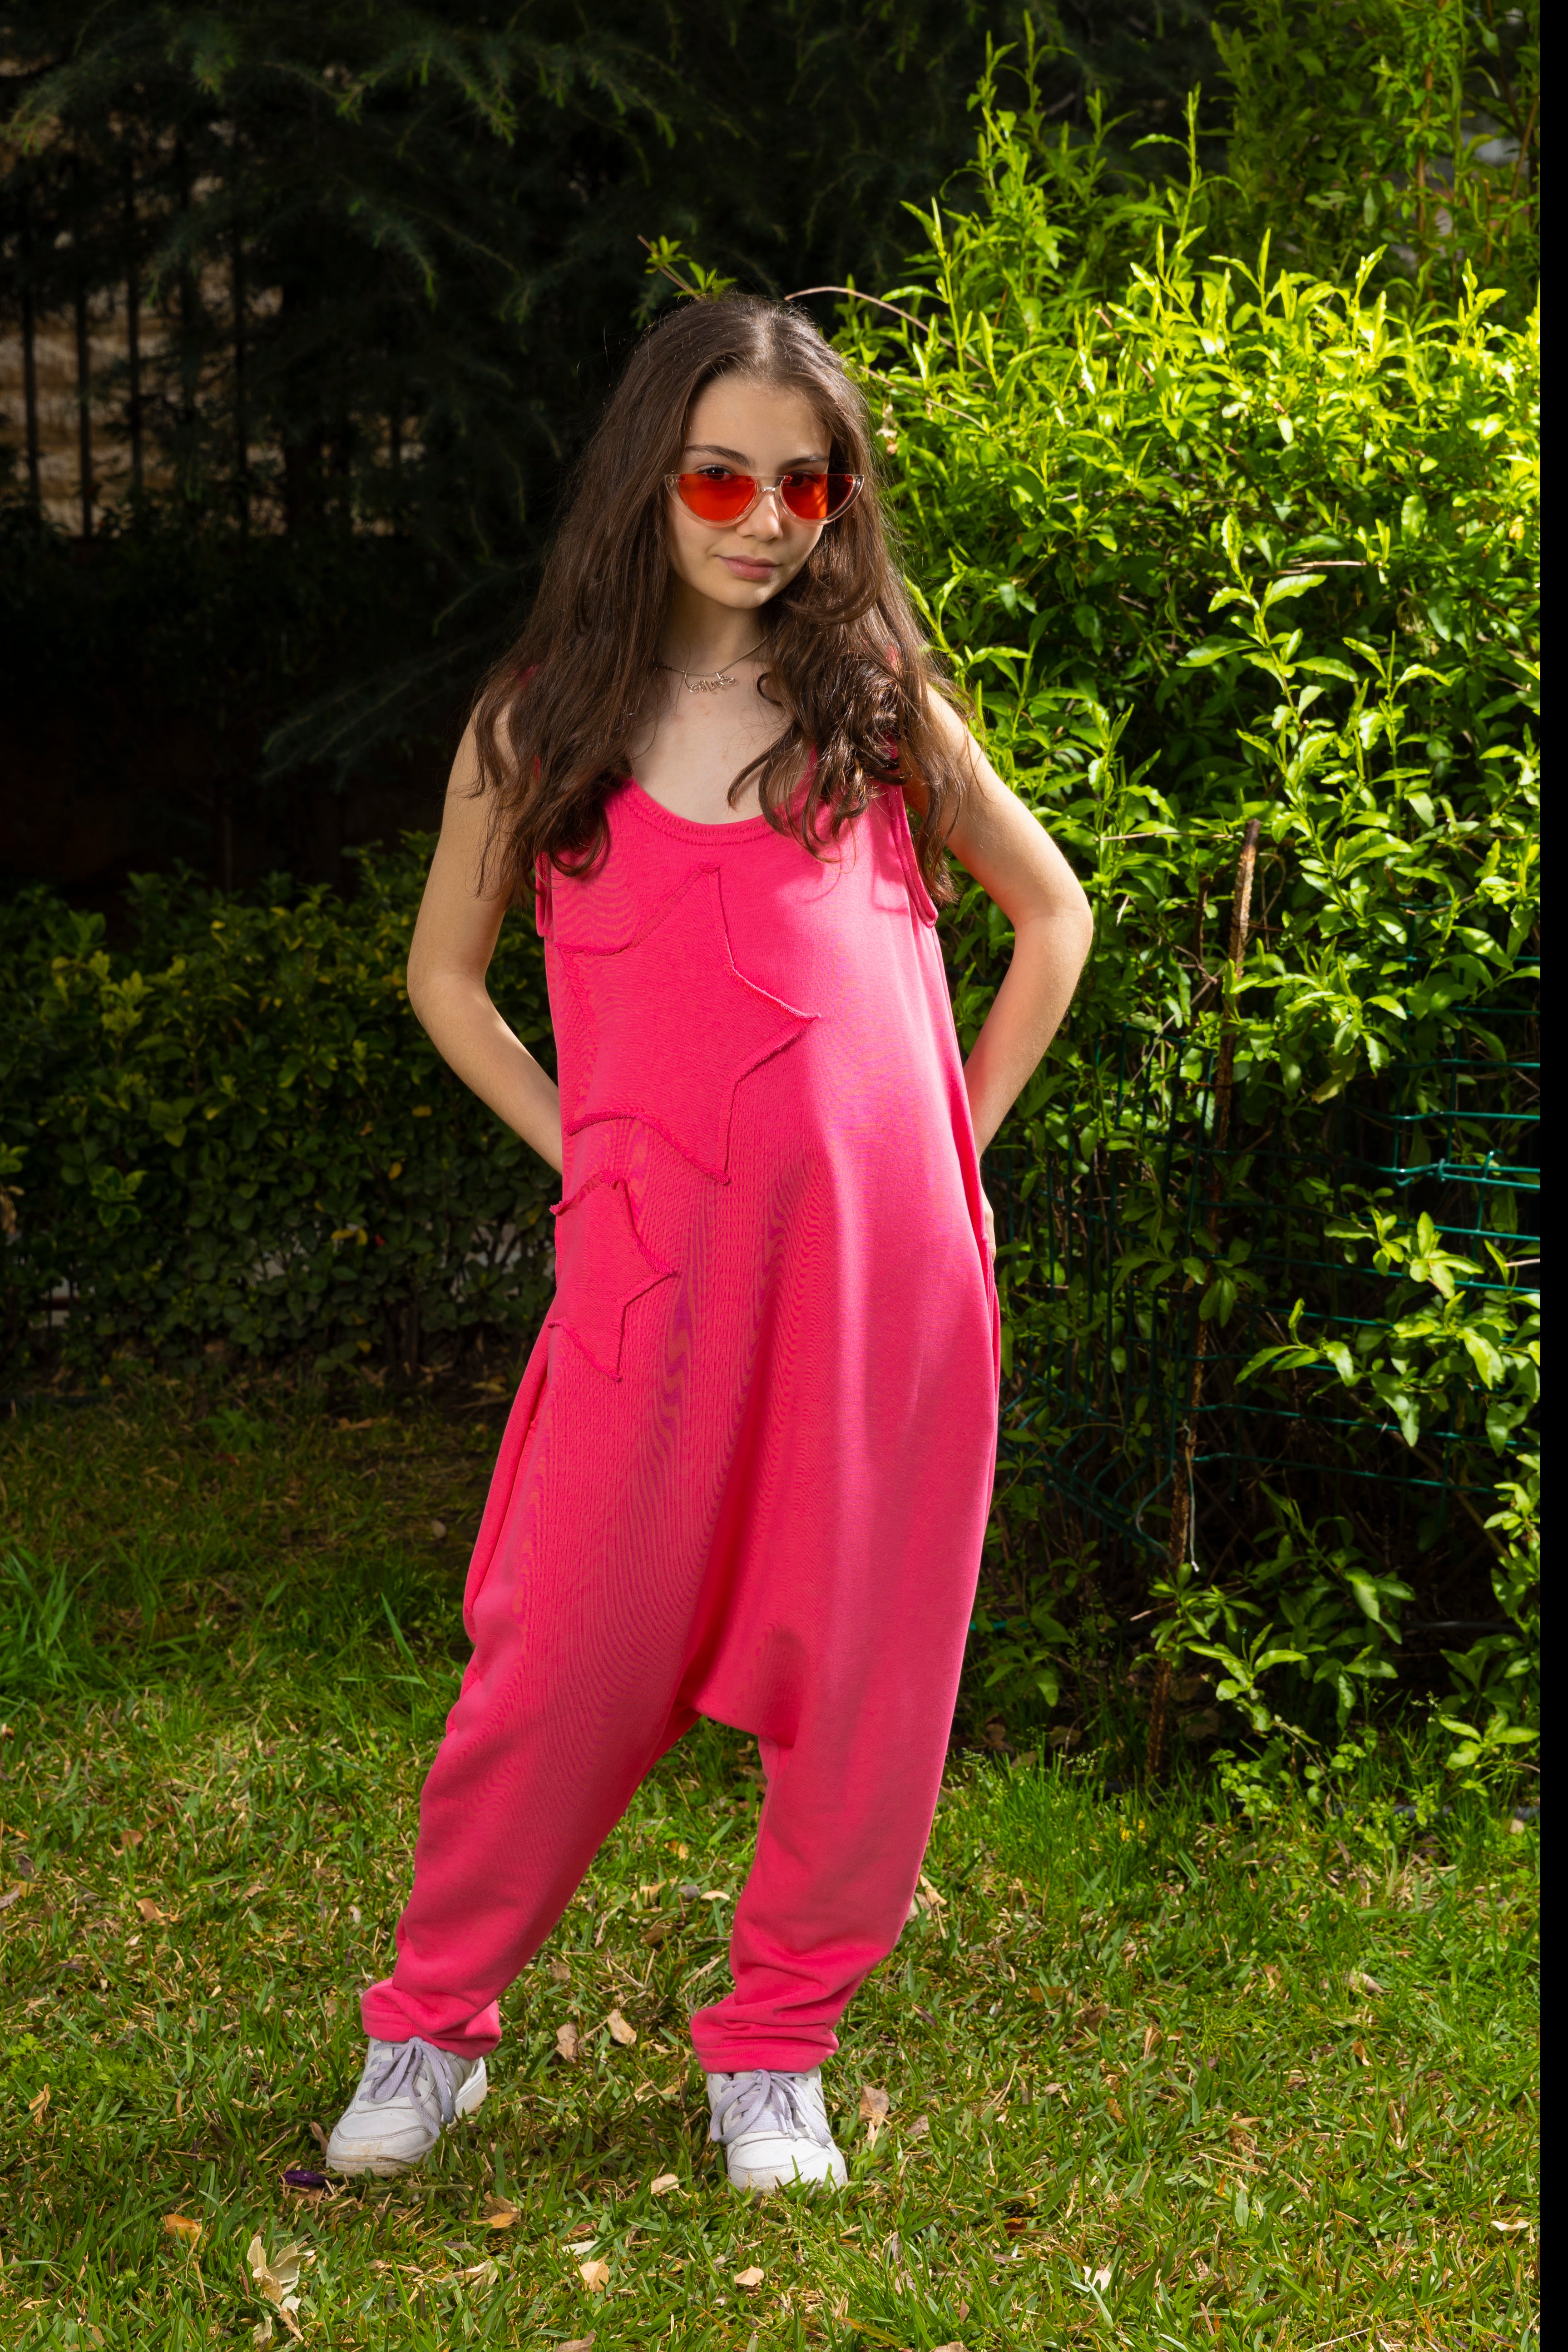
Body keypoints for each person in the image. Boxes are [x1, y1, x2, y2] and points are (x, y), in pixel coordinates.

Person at [325, 293, 1093, 2191]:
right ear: (647, 483)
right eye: (723, 478)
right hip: (652, 1280)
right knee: (560, 1650)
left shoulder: (871, 704)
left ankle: (778, 2047)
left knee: (866, 1671)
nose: (765, 520)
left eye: (806, 485)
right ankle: (433, 2022)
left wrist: (955, 1154)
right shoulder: (540, 728)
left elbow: (1053, 914)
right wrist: (585, 1149)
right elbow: (445, 978)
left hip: (885, 1290)